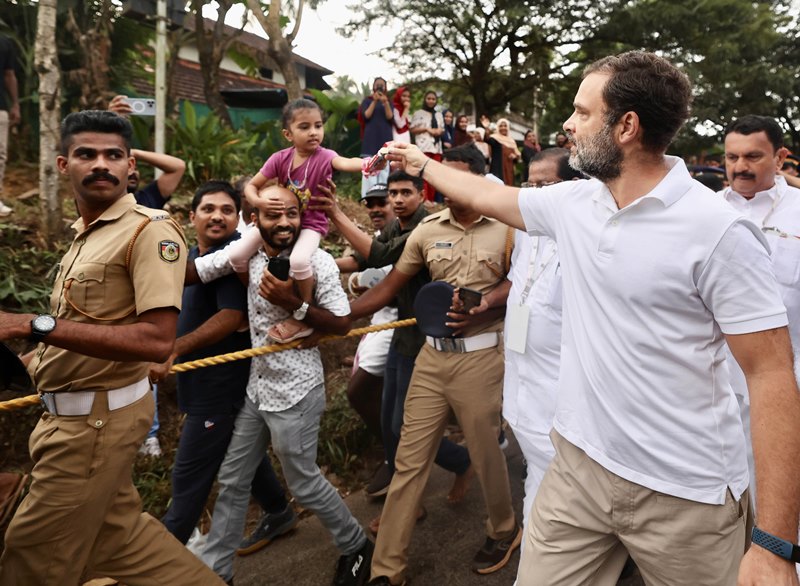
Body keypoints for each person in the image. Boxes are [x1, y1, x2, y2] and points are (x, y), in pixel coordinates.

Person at [386, 51, 800, 586]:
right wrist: (419, 162)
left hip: (684, 495)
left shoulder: (717, 232)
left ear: (626, 126)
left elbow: (771, 378)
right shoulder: (575, 203)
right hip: (577, 471)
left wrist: (773, 545)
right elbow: (487, 192)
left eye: (582, 113)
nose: (567, 125)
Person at [0, 110, 224, 585]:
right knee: (121, 545)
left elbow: (156, 339)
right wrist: (28, 359)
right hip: (68, 418)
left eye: (113, 155)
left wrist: (28, 324)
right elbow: (81, 331)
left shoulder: (150, 230)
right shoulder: (83, 237)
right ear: (63, 165)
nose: (100, 164)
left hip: (94, 426)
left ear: (131, 168)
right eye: (86, 154)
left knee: (30, 559)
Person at [353, 144, 519, 586]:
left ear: (480, 181)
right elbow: (390, 284)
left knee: (486, 455)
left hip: (482, 357)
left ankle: (504, 530)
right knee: (408, 461)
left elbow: (521, 279)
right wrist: (337, 318)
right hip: (430, 358)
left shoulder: (508, 229)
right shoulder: (426, 230)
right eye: (441, 176)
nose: (444, 186)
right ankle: (386, 570)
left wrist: (486, 302)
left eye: (456, 176)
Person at [201, 185, 373, 586]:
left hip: (296, 389)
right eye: (273, 216)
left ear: (302, 216)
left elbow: (342, 322)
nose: (283, 223)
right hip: (257, 389)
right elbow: (203, 268)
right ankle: (214, 573)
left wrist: (293, 304)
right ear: (254, 218)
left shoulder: (318, 261)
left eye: (292, 215)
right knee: (232, 479)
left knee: (303, 482)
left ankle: (356, 546)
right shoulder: (249, 254)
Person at [147, 180, 295, 552]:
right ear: (191, 216)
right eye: (209, 209)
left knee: (189, 477)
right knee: (239, 451)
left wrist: (175, 348)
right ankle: (278, 511)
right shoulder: (195, 258)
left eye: (227, 210)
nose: (217, 216)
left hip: (220, 385)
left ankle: (163, 559)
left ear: (240, 218)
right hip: (198, 381)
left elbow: (230, 316)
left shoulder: (232, 258)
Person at [311, 171, 472, 506]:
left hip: (425, 341)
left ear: (422, 195)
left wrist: (336, 215)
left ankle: (450, 470)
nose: (398, 200)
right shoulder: (393, 227)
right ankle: (416, 484)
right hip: (401, 335)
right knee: (389, 424)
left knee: (404, 427)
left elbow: (381, 261)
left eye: (404, 193)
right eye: (393, 194)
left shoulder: (424, 227)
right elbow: (368, 260)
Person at [229, 98, 379, 344]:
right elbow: (252, 187)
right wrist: (260, 202)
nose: (314, 132)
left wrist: (368, 164)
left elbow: (345, 162)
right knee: (236, 256)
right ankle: (252, 297)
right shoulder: (279, 159)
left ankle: (303, 312)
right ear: (288, 134)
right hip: (283, 221)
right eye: (305, 127)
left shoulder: (325, 156)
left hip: (311, 225)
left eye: (318, 126)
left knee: (299, 260)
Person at [109, 93, 188, 456]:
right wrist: (114, 144)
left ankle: (150, 433)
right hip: (112, 292)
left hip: (146, 293)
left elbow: (177, 166)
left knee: (146, 360)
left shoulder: (149, 201)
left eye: (129, 166)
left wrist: (133, 152)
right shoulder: (100, 204)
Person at [360, 77, 394, 195]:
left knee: (384, 168)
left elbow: (390, 117)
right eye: (377, 85)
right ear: (373, 87)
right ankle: (367, 196)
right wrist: (374, 101)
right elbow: (366, 116)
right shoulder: (367, 101)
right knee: (368, 166)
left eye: (382, 85)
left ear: (385, 88)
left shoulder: (389, 102)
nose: (379, 87)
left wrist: (385, 103)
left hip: (384, 138)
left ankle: (382, 196)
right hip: (370, 139)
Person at [410, 90, 444, 202]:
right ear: (425, 99)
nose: (431, 101)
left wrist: (439, 131)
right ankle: (424, 199)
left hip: (437, 148)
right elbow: (413, 129)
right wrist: (426, 129)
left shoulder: (439, 114)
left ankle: (432, 199)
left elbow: (442, 128)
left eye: (433, 99)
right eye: (429, 98)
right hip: (424, 146)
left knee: (434, 174)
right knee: (424, 173)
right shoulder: (418, 113)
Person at [0, 34, 20, 218]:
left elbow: (9, 74)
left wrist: (15, 104)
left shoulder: (5, 42)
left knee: (0, 154)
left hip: (0, 107)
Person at [480, 115, 521, 185]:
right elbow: (487, 139)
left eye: (505, 126)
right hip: (498, 169)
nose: (503, 128)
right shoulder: (495, 138)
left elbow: (517, 157)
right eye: (501, 126)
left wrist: (514, 156)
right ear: (498, 127)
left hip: (509, 169)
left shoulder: (511, 140)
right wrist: (487, 128)